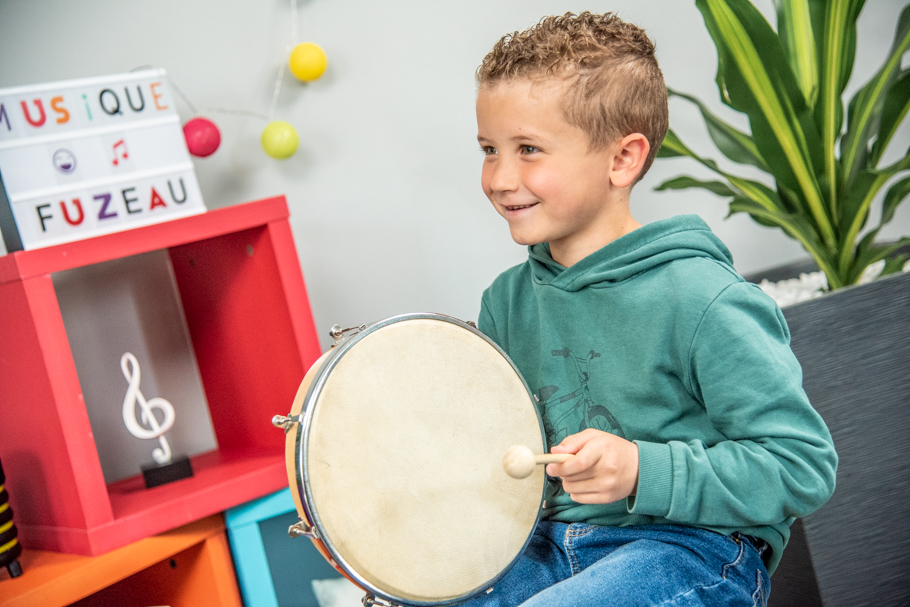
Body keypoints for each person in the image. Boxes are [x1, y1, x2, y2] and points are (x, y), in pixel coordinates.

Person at [469, 11, 837, 606]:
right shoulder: (505, 303)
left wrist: (643, 470)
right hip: (544, 547)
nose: (500, 177)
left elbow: (802, 465)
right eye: (489, 149)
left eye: (529, 149)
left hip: (692, 548)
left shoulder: (703, 298)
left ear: (623, 159)